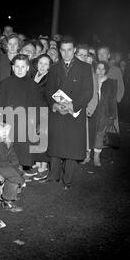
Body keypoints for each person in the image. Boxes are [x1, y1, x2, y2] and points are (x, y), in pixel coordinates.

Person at [42, 36, 93, 189]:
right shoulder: (54, 67)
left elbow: (88, 92)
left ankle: (67, 180)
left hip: (74, 112)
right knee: (56, 145)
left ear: (74, 49)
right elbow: (48, 90)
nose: (66, 53)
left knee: (72, 148)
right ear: (59, 50)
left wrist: (73, 105)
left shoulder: (85, 67)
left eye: (69, 50)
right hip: (58, 111)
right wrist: (54, 105)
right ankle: (53, 176)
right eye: (63, 50)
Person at [0, 54, 46, 174]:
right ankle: (10, 180)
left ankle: (19, 177)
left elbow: (39, 106)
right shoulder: (5, 84)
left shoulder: (33, 86)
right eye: (17, 66)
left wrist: (37, 123)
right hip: (8, 125)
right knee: (8, 156)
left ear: (28, 68)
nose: (20, 69)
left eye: (23, 67)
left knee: (22, 156)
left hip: (26, 126)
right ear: (13, 67)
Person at [76, 44, 98, 164]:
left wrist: (90, 108)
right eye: (81, 55)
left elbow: (94, 93)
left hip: (85, 107)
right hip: (71, 107)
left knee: (85, 132)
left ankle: (86, 153)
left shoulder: (91, 73)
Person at [92, 61, 117, 167]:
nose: (100, 71)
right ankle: (87, 154)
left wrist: (112, 115)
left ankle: (96, 156)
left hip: (104, 111)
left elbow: (112, 100)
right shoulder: (91, 80)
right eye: (98, 68)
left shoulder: (111, 82)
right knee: (89, 132)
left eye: (103, 69)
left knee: (99, 133)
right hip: (91, 110)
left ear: (106, 70)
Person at [31, 53, 52, 180]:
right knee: (35, 139)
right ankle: (36, 165)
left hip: (44, 111)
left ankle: (43, 168)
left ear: (49, 66)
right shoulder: (34, 75)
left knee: (43, 139)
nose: (42, 66)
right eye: (41, 63)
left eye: (46, 64)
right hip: (33, 111)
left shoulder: (50, 78)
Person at [97, 45, 124, 132]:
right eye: (99, 54)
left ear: (108, 55)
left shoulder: (116, 70)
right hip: (96, 104)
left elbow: (121, 87)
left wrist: (116, 100)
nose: (101, 56)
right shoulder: (94, 68)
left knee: (109, 131)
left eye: (104, 54)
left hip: (110, 105)